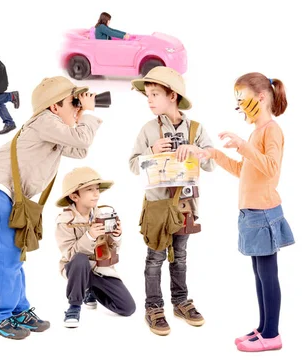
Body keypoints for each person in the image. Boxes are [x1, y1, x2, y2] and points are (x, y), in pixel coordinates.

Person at [0, 75, 102, 339]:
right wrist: (86, 114)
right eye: (72, 102)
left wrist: (78, 115)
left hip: (8, 193)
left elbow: (80, 150)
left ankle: (18, 310)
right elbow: (82, 140)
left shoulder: (54, 129)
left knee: (16, 256)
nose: (77, 106)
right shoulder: (45, 121)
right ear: (54, 107)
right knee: (6, 258)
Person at [196, 73, 293, 352]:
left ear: (260, 98)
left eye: (242, 98)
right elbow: (245, 170)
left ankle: (272, 334)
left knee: (268, 274)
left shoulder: (271, 130)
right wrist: (215, 154)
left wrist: (245, 146)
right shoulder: (256, 132)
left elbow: (271, 168)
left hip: (264, 214)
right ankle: (264, 328)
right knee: (259, 274)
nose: (239, 105)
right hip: (251, 214)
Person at [128, 66, 216, 336]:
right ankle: (153, 306)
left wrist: (199, 151)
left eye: (155, 94)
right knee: (154, 258)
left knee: (180, 257)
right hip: (156, 206)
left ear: (173, 96)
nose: (150, 100)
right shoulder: (147, 130)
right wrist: (150, 152)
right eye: (148, 95)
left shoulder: (196, 129)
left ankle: (180, 302)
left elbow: (212, 162)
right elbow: (133, 165)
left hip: (184, 206)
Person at [55, 166, 136, 328]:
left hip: (100, 269)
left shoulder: (103, 215)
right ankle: (74, 306)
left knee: (127, 308)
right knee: (79, 259)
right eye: (90, 190)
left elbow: (112, 250)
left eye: (97, 189)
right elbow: (70, 255)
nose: (96, 194)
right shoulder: (65, 221)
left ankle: (91, 290)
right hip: (76, 268)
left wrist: (116, 235)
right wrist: (90, 236)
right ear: (74, 196)